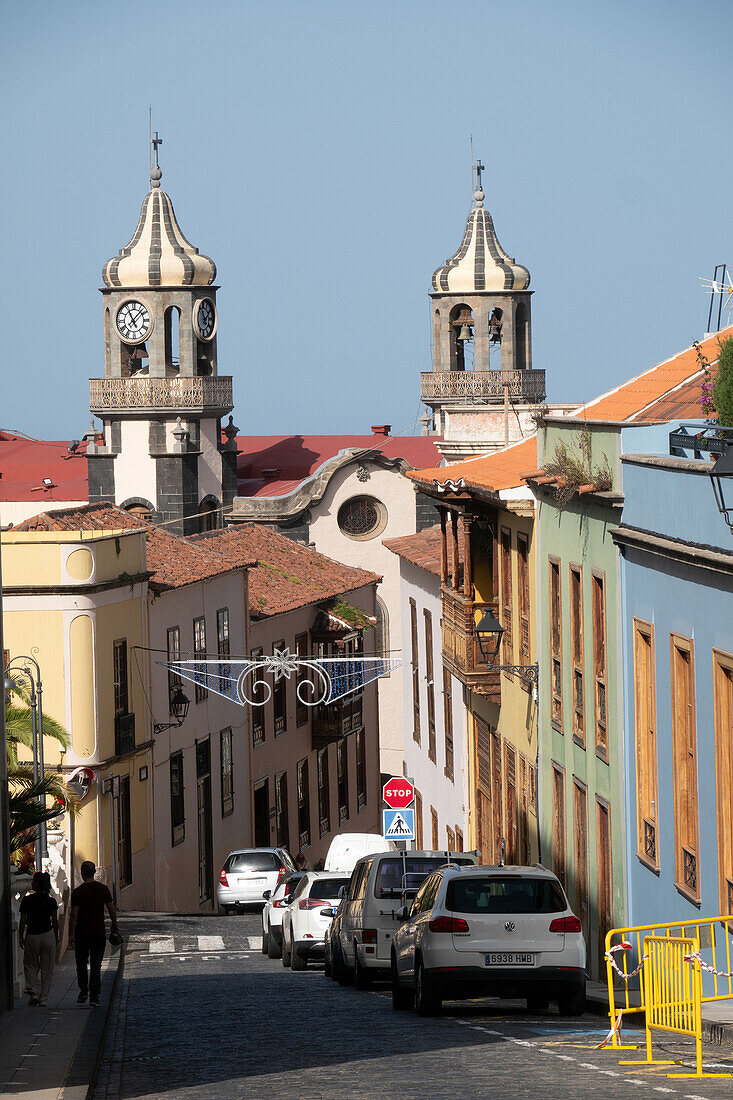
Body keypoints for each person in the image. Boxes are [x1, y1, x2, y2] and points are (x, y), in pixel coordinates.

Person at [68, 861, 119, 1007]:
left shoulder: (77, 892)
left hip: (82, 933)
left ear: (82, 873)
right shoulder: (103, 889)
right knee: (96, 965)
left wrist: (71, 933)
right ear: (94, 872)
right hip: (98, 932)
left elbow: (74, 914)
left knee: (81, 964)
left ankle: (83, 991)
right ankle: (95, 996)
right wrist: (115, 925)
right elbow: (111, 909)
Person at [18, 871, 58, 1007]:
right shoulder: (51, 901)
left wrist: (20, 937)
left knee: (30, 965)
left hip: (32, 935)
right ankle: (44, 998)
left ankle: (33, 991)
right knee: (47, 968)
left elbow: (22, 921)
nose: (31, 883)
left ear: (37, 884)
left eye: (33, 881)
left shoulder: (27, 900)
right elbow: (55, 920)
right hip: (48, 934)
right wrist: (56, 938)